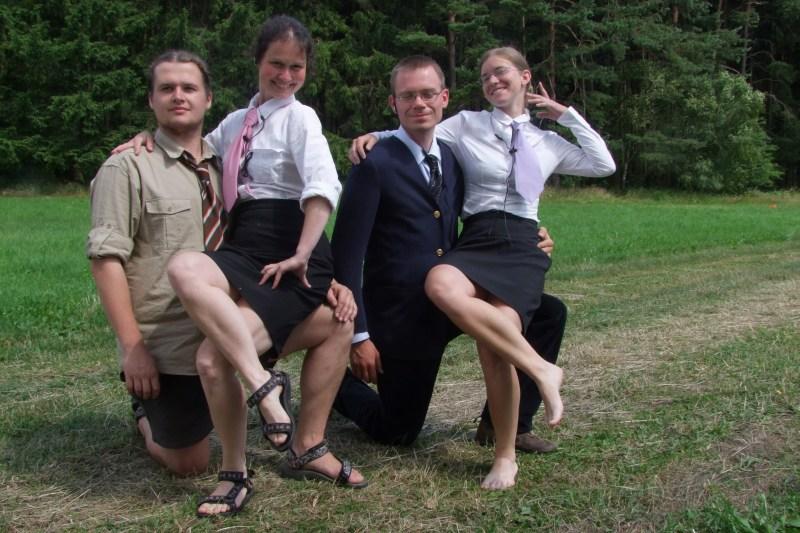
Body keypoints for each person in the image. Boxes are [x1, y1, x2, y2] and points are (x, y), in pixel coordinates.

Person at [117, 16, 367, 516]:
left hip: (292, 247)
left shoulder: (302, 119)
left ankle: (266, 462)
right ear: (257, 62)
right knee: (185, 270)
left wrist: (304, 253)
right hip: (245, 245)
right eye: (276, 63)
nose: (286, 75)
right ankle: (265, 388)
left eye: (296, 67)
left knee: (214, 359)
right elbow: (192, 145)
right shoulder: (235, 122)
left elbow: (322, 187)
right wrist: (147, 137)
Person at [351, 48, 615, 489]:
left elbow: (603, 164)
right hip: (477, 237)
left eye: (501, 72)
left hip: (523, 243)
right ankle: (542, 369)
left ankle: (504, 454)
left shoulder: (547, 142)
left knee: (496, 343)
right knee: (440, 283)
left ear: (525, 77)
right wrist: (373, 137)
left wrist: (565, 115)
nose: (492, 80)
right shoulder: (467, 124)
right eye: (485, 76)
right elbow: (418, 128)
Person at [87, 50, 220, 476]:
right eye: (167, 88)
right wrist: (134, 349)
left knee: (326, 319)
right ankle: (143, 410)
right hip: (169, 347)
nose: (178, 96)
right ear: (151, 100)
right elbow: (106, 260)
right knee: (190, 463)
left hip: (229, 329)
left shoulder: (230, 163)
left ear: (208, 98)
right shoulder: (126, 168)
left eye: (189, 88)